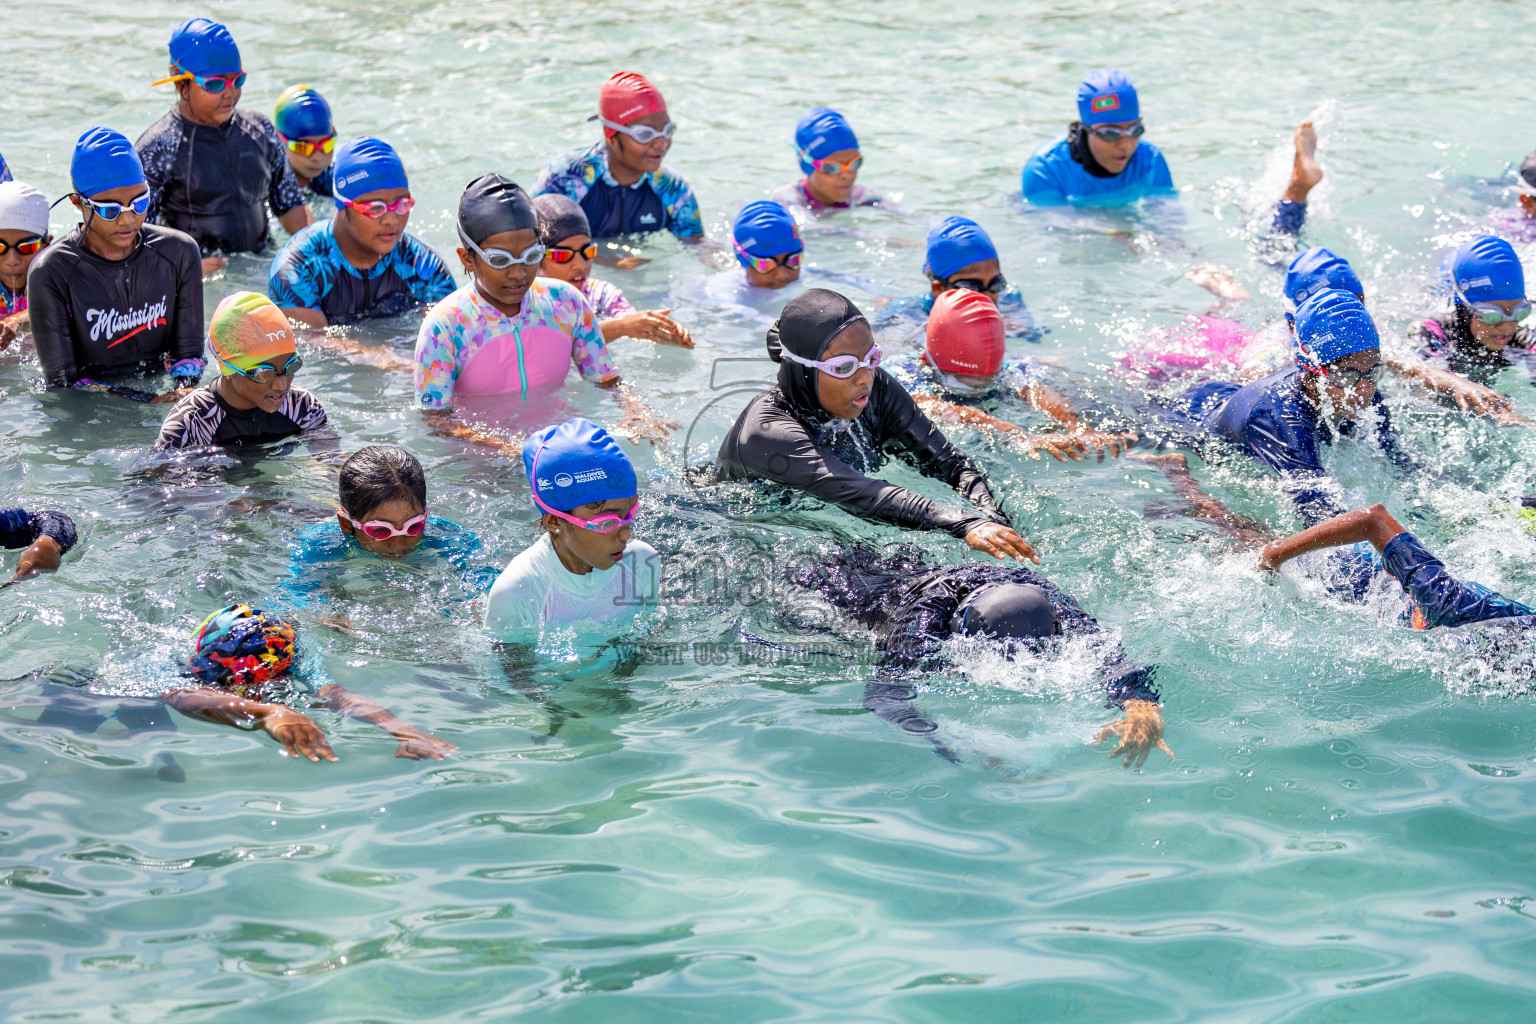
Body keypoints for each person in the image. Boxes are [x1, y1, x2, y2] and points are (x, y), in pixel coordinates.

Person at [714, 288, 1039, 562]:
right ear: (803, 370)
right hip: (736, 533)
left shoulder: (875, 389)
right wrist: (964, 523)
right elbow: (865, 494)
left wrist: (995, 522)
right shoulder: (766, 433)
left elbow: (951, 465)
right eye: (844, 367)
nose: (864, 377)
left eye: (871, 358)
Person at [794, 543, 1172, 769]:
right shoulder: (923, 625)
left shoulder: (1050, 603)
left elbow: (1110, 655)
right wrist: (947, 743)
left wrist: (1140, 705)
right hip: (848, 583)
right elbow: (883, 696)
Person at [414, 174, 675, 448]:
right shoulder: (445, 326)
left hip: (563, 445)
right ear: (467, 258)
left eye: (531, 256)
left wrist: (635, 410)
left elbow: (608, 379)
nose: (518, 273)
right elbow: (435, 419)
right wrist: (506, 450)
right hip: (485, 460)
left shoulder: (567, 302)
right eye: (500, 260)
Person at [1156, 289, 1421, 548]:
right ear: (1309, 375)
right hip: (1187, 419)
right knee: (1240, 534)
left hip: (1235, 398)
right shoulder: (1282, 418)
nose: (1364, 388)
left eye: (1373, 371)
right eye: (1347, 375)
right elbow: (1318, 512)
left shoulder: (1361, 388)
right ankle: (1170, 465)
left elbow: (1401, 462)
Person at [27, 128, 204, 404]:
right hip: (94, 405)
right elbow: (63, 381)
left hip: (155, 383)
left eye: (139, 203)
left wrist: (184, 390)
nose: (128, 219)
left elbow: (189, 353)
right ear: (78, 203)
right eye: (110, 210)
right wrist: (143, 400)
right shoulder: (51, 272)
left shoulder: (179, 252)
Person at [163, 602, 456, 762]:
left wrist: (402, 730)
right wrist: (270, 711)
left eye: (277, 672)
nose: (264, 684)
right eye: (250, 679)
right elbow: (181, 696)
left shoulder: (293, 657)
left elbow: (338, 696)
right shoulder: (194, 669)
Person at [137, 17, 311, 273]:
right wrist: (184, 270)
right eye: (215, 84)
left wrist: (318, 254)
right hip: (200, 278)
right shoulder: (159, 148)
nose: (230, 93)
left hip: (260, 263)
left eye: (237, 80)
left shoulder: (259, 130)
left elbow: (290, 205)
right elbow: (137, 236)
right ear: (180, 82)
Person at [886, 289, 1134, 460]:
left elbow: (1037, 390)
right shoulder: (903, 371)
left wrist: (1077, 426)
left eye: (990, 378)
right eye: (970, 381)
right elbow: (927, 406)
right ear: (931, 361)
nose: (982, 388)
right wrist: (1016, 434)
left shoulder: (1011, 367)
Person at [484, 418, 660, 636]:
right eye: (606, 523)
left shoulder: (642, 562)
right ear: (554, 522)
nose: (626, 534)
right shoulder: (516, 593)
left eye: (631, 514)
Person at [1259, 503, 1536, 636]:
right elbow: (1373, 519)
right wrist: (1271, 557)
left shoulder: (1511, 657)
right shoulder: (1453, 606)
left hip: (1389, 599)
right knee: (1249, 544)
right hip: (1351, 569)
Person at [283, 445, 497, 611]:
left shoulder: (447, 536)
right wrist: (324, 613)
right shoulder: (320, 545)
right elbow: (296, 594)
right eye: (380, 530)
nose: (398, 544)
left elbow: (486, 579)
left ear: (425, 515)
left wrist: (478, 602)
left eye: (413, 526)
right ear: (346, 524)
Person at [269, 136, 454, 327]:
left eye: (402, 204)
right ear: (342, 205)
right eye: (375, 208)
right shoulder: (298, 267)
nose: (392, 220)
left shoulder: (423, 265)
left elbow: (450, 332)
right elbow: (314, 339)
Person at [533, 72, 702, 240]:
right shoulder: (565, 178)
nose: (661, 143)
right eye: (644, 134)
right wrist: (604, 257)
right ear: (611, 136)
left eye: (668, 130)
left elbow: (697, 247)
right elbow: (533, 244)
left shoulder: (672, 188)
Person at [156, 291, 333, 451]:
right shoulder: (190, 425)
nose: (281, 385)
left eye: (291, 366)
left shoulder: (302, 407)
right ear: (228, 368)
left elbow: (333, 463)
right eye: (263, 373)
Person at [533, 193, 692, 347]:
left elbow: (629, 319)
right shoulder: (526, 302)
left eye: (588, 251)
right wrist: (619, 327)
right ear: (536, 259)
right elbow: (556, 344)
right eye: (562, 255)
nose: (580, 265)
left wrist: (657, 330)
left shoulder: (599, 294)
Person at [1021, 68, 1176, 209]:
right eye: (1110, 134)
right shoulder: (1046, 170)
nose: (1125, 145)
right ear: (1086, 129)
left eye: (1135, 131)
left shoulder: (1150, 160)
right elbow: (1055, 224)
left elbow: (1168, 215)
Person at [1407, 235, 1533, 390]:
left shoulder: (1522, 339)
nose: (1506, 326)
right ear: (1465, 308)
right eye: (1492, 315)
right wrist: (1459, 385)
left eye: (1519, 312)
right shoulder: (1430, 331)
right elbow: (1417, 372)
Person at [877, 216, 1035, 340]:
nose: (988, 297)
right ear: (938, 288)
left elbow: (1033, 337)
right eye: (972, 287)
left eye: (996, 283)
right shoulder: (909, 316)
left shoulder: (1010, 302)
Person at [770, 107, 883, 215]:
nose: (846, 175)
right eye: (832, 168)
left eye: (855, 163)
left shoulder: (862, 196)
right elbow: (804, 225)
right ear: (808, 165)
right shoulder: (788, 198)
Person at [0, 181, 51, 349]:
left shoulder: (59, 276)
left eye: (27, 247)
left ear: (47, 245)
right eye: (0, 247)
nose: (12, 260)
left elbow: (61, 308)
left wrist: (17, 320)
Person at [273, 84, 336, 199]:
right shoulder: (266, 187)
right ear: (280, 141)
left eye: (326, 145)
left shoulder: (336, 180)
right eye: (304, 148)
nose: (317, 157)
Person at [731, 199, 804, 290]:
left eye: (794, 260)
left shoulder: (816, 278)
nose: (781, 275)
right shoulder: (722, 294)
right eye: (765, 265)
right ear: (743, 260)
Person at [1, 507, 78, 585]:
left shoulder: (48, 522)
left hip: (50, 524)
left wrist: (45, 546)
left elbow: (57, 520)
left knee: (45, 551)